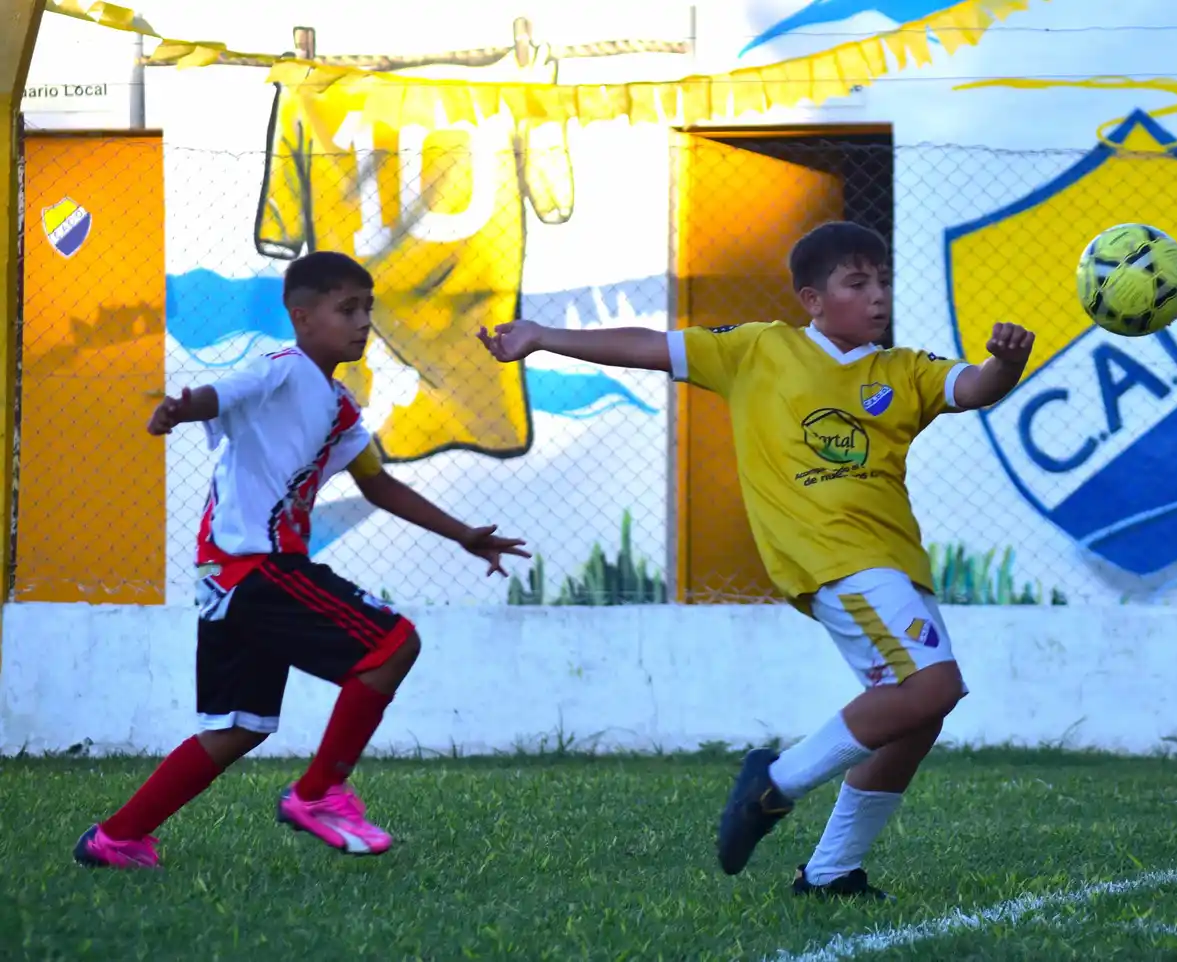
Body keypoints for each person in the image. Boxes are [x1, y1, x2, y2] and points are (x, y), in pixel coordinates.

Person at [477, 221, 1034, 898]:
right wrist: (542, 336)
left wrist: (1007, 363)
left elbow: (974, 387)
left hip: (894, 562)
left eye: (883, 282)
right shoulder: (759, 349)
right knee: (932, 689)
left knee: (917, 716)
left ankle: (831, 873)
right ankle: (775, 783)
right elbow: (650, 346)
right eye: (857, 283)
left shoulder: (903, 369)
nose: (878, 296)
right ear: (812, 300)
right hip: (836, 557)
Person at [74, 251, 530, 869]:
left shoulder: (339, 407)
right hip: (254, 567)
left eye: (368, 308)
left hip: (228, 578)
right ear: (302, 316)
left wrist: (463, 534)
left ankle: (116, 838)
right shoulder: (282, 369)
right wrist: (183, 407)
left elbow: (377, 484)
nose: (363, 322)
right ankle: (318, 794)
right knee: (392, 645)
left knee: (238, 728)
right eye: (348, 309)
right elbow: (221, 394)